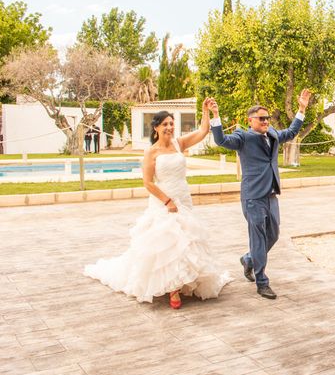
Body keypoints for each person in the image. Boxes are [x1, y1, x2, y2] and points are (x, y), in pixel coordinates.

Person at [84, 98, 232, 309]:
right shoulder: (151, 152)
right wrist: (167, 200)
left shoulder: (178, 144)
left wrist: (206, 111)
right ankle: (173, 289)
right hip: (164, 200)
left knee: (187, 239)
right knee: (169, 242)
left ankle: (186, 281)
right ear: (156, 128)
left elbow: (202, 132)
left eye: (172, 124)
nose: (170, 127)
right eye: (165, 124)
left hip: (183, 197)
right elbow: (147, 183)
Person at [210, 89, 311, 299]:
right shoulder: (242, 137)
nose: (266, 121)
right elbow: (221, 141)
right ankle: (262, 281)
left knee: (273, 235)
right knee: (258, 238)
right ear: (250, 120)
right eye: (261, 118)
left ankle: (248, 260)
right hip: (253, 196)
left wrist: (301, 108)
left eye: (267, 118)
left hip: (271, 195)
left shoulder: (273, 134)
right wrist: (216, 116)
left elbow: (291, 132)